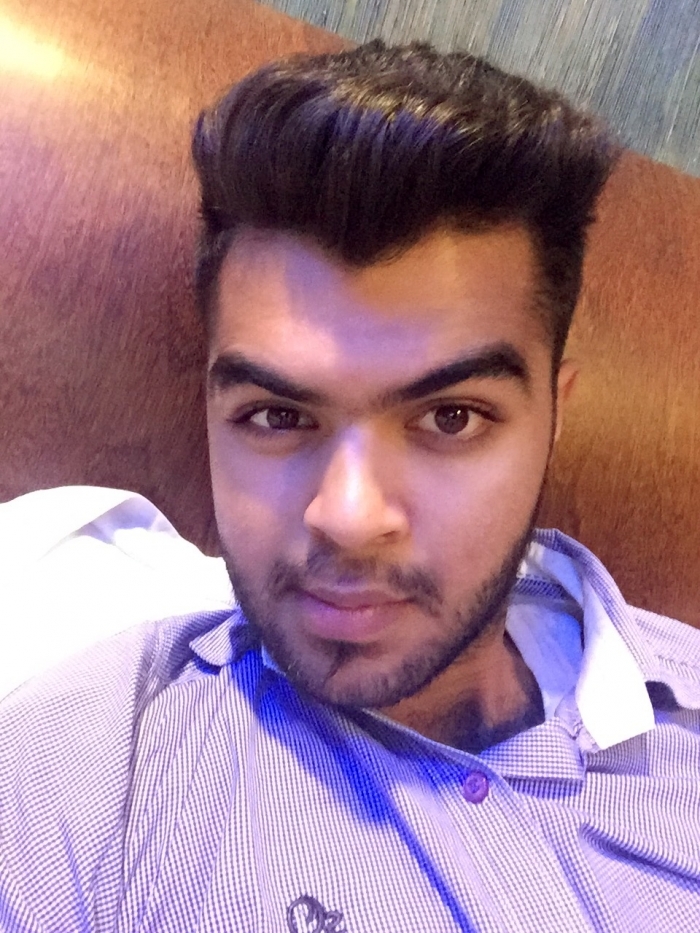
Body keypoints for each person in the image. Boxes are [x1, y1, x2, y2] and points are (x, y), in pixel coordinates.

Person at [1, 38, 699, 933]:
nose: (349, 516)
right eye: (277, 415)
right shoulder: (88, 781)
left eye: (451, 417)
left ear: (554, 415)